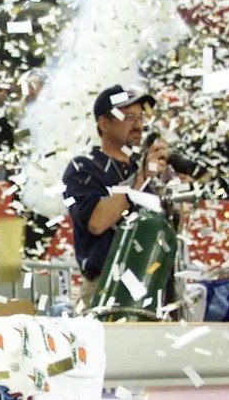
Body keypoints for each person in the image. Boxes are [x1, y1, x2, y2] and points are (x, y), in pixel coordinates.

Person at [61, 85, 165, 308]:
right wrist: (139, 181)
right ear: (104, 123)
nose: (138, 125)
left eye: (140, 117)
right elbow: (97, 222)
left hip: (150, 282)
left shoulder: (142, 170)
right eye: (129, 117)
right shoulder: (84, 168)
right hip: (105, 285)